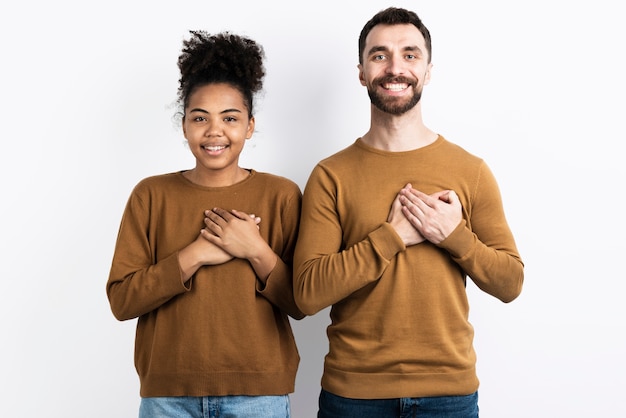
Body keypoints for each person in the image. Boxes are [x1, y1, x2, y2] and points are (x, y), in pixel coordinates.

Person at [293, 7, 524, 418]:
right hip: (353, 395)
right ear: (362, 72)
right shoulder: (331, 174)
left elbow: (510, 283)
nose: (395, 67)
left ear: (428, 70)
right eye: (379, 55)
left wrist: (454, 236)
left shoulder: (470, 171)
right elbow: (308, 292)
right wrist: (392, 237)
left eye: (410, 55)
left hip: (449, 395)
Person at [106, 30, 304, 418]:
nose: (215, 131)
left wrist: (255, 250)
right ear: (184, 126)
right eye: (201, 118)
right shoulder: (151, 196)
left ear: (249, 125)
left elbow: (302, 301)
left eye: (230, 118)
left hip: (258, 396)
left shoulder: (280, 195)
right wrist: (192, 256)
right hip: (168, 397)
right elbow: (122, 300)